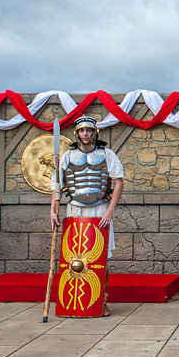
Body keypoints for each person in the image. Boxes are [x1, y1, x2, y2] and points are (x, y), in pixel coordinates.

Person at [50, 114, 125, 316]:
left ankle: (102, 299)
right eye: (82, 130)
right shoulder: (66, 156)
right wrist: (52, 211)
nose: (85, 134)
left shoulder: (107, 154)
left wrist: (110, 211)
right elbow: (57, 185)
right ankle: (73, 300)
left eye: (89, 130)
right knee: (74, 257)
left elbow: (118, 181)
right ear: (77, 133)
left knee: (99, 258)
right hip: (74, 208)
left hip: (100, 207)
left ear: (94, 132)